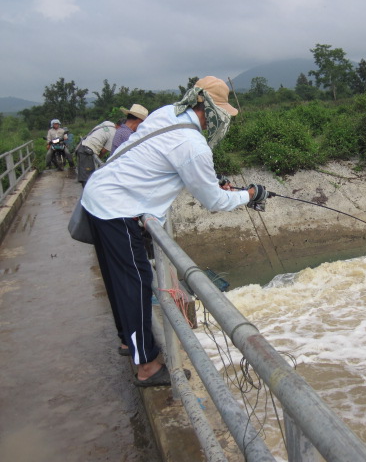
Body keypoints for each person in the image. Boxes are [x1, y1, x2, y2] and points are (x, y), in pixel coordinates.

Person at [81, 76, 268, 387]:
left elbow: (161, 158)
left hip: (99, 195)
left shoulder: (166, 112)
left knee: (119, 279)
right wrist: (249, 195)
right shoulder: (193, 145)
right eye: (221, 112)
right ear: (209, 109)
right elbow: (214, 200)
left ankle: (130, 343)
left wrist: (212, 178)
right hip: (118, 208)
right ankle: (148, 366)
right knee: (137, 283)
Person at [76, 120, 117, 187]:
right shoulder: (113, 133)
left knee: (84, 174)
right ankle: (87, 194)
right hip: (88, 151)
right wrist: (98, 159)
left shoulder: (107, 123)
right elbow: (104, 150)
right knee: (88, 177)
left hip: (82, 146)